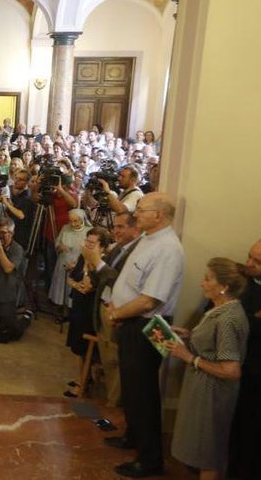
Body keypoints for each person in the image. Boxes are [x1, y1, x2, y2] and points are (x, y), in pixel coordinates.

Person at [103, 192, 185, 478]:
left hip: (147, 327)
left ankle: (150, 459)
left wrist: (116, 313)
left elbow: (150, 300)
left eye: (141, 209)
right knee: (131, 387)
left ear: (158, 215)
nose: (135, 213)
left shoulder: (168, 249)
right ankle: (133, 437)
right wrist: (116, 306)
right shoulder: (148, 238)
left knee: (144, 392)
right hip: (130, 322)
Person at [167, 258, 249, 480]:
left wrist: (189, 357)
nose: (202, 283)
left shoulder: (228, 318)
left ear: (224, 287)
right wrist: (190, 335)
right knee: (200, 447)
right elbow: (215, 345)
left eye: (208, 279)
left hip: (212, 394)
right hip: (201, 389)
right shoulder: (219, 310)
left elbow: (231, 370)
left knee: (208, 453)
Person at [81, 211, 141, 407]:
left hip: (119, 313)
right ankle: (110, 398)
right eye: (114, 226)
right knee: (107, 359)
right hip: (104, 307)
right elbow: (103, 279)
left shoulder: (137, 252)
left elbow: (120, 283)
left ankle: (114, 406)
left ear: (135, 229)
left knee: (115, 362)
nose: (115, 231)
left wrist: (97, 262)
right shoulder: (118, 249)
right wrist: (91, 265)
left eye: (121, 227)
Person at [228, 238, 261, 480]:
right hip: (233, 363)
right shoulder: (240, 281)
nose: (249, 264)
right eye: (249, 257)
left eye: (258, 262)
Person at [63, 227, 112, 398]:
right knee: (77, 346)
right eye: (87, 241)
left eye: (92, 243)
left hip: (90, 310)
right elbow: (71, 280)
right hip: (78, 305)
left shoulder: (102, 266)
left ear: (103, 247)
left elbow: (88, 285)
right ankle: (82, 377)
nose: (88, 246)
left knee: (85, 347)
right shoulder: (83, 257)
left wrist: (84, 272)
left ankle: (83, 383)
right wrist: (78, 284)